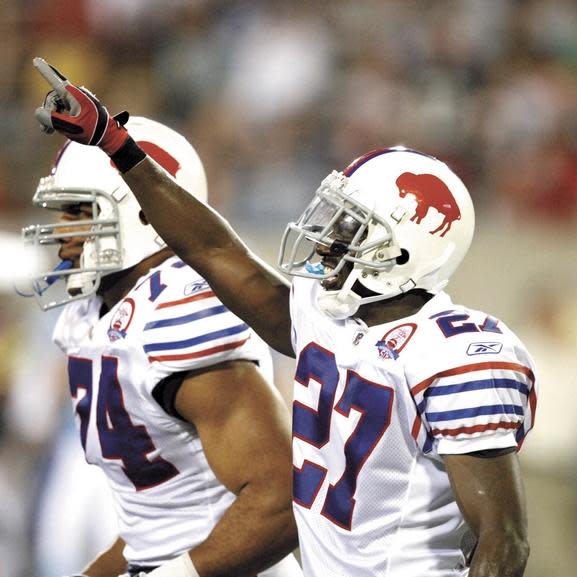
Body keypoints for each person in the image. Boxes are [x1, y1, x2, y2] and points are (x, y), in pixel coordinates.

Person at [33, 58, 538, 577]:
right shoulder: (327, 321)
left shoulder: (456, 352)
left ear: (407, 247)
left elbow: (503, 542)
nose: (328, 235)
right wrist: (118, 145)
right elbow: (213, 250)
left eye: (352, 225)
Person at [23, 104, 301, 577]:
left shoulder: (176, 311)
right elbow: (157, 531)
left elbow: (282, 500)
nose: (62, 234)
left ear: (145, 215)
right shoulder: (92, 319)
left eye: (79, 211)